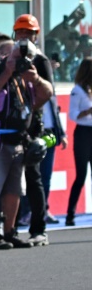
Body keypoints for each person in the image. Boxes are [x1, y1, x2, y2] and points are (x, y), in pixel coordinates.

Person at [0, 37, 52, 249]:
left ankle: (9, 232)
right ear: (4, 54)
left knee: (14, 189)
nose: (22, 61)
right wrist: (7, 73)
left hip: (18, 139)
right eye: (17, 56)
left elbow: (46, 95)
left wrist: (36, 79)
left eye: (26, 57)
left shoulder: (27, 72)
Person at [12, 14, 62, 246]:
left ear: (35, 35)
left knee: (34, 178)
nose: (23, 37)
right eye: (20, 32)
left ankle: (38, 229)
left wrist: (30, 111)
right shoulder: (8, 57)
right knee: (7, 180)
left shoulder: (40, 60)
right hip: (10, 125)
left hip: (32, 127)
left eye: (27, 33)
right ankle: (6, 230)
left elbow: (48, 94)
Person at [65, 57, 92, 226]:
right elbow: (72, 115)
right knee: (81, 174)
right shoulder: (77, 91)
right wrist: (88, 110)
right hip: (83, 133)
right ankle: (70, 214)